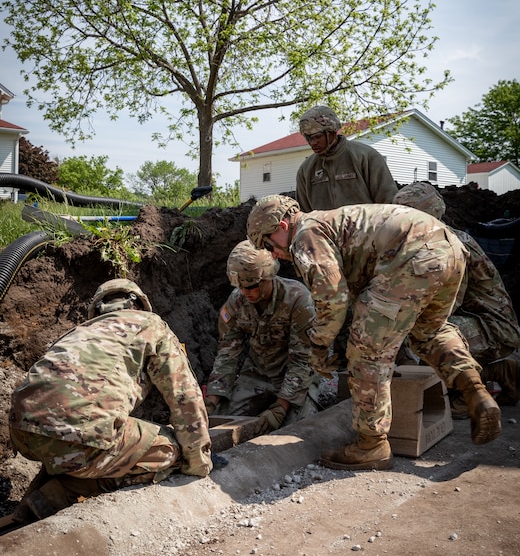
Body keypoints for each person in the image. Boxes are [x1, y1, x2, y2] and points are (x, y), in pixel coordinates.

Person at [247, 194, 501, 472]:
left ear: (282, 226)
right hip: (448, 249)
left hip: (411, 255)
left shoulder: (305, 235)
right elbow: (352, 297)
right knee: (428, 332)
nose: (271, 253)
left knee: (367, 350)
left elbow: (332, 298)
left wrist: (318, 346)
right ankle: (475, 392)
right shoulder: (331, 220)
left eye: (267, 243)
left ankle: (371, 444)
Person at [9, 279, 212, 525]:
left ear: (97, 311)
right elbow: (184, 397)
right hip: (77, 437)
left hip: (22, 432)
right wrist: (197, 463)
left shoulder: (77, 333)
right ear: (139, 305)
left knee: (70, 440)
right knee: (170, 449)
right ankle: (59, 495)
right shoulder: (150, 325)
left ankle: (27, 507)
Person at [393, 181, 520, 412]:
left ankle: (467, 393)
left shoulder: (447, 245)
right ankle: (498, 372)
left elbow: (445, 306)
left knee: (430, 337)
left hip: (495, 328)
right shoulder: (429, 241)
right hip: (479, 321)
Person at [204, 240, 320, 433]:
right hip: (257, 374)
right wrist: (212, 401)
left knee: (297, 430)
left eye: (251, 286)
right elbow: (227, 354)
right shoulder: (236, 302)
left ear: (268, 277)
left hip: (294, 375)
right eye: (240, 286)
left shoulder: (298, 300)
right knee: (224, 420)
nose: (245, 292)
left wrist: (281, 406)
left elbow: (304, 359)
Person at [295, 105, 398, 212]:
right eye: (308, 138)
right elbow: (304, 215)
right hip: (324, 229)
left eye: (317, 136)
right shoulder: (306, 169)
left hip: (365, 228)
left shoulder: (365, 156)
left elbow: (388, 203)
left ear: (332, 132)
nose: (312, 142)